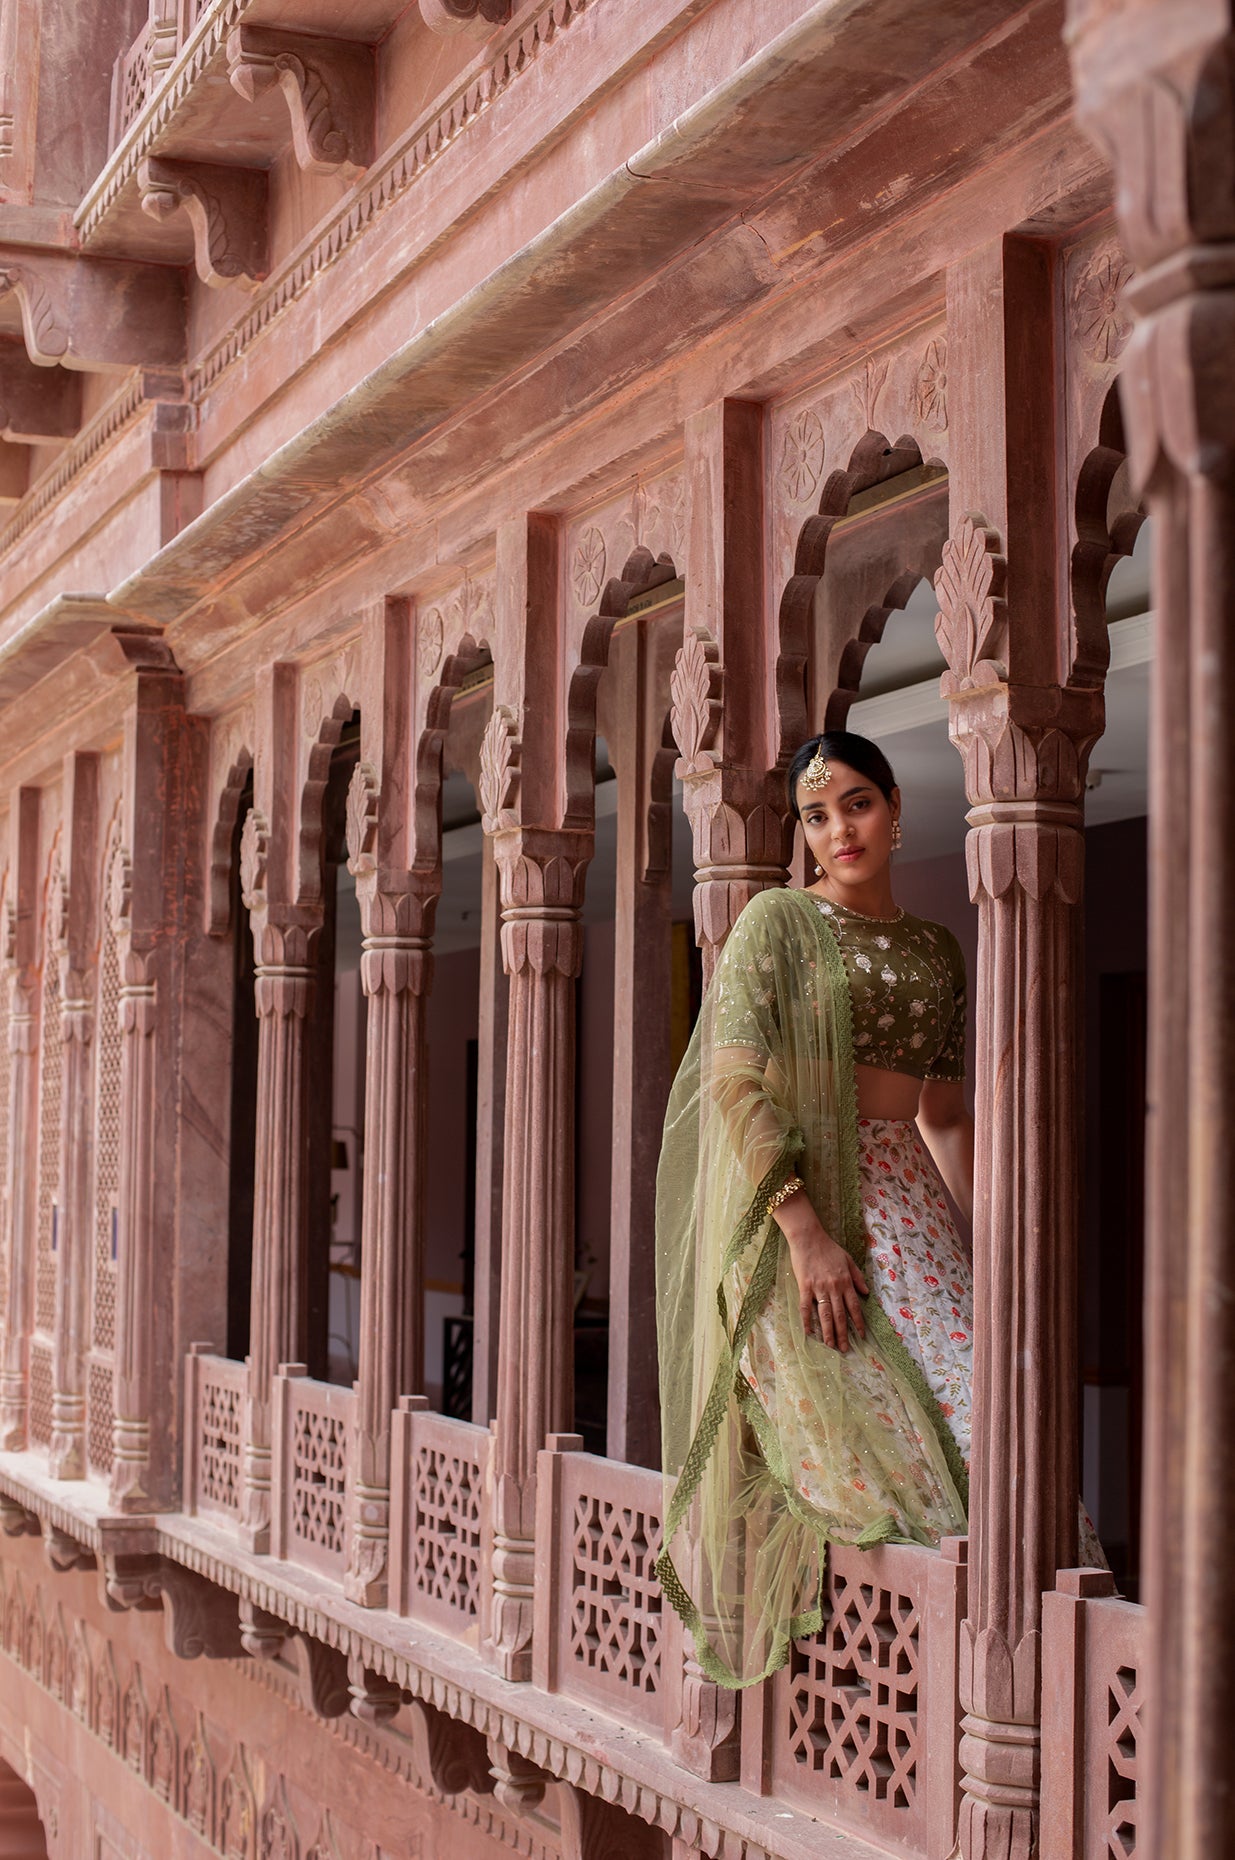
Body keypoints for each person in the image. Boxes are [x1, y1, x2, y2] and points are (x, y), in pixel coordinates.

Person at [656, 730, 981, 1689]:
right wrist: (804, 1234)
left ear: (893, 806)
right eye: (814, 814)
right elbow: (733, 1083)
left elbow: (944, 1118)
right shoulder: (778, 922)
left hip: (910, 1210)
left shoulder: (935, 948)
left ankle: (978, 1674)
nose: (838, 829)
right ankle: (892, 1681)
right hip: (797, 1212)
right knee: (865, 1456)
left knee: (984, 1429)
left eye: (856, 803)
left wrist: (986, 1254)